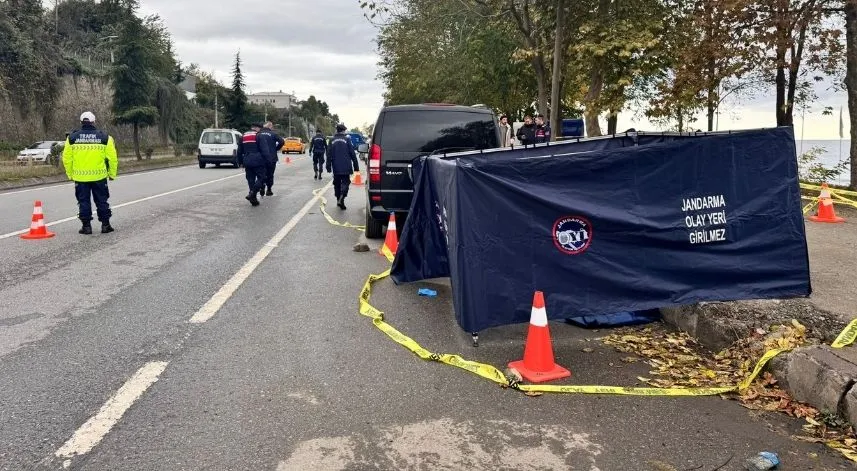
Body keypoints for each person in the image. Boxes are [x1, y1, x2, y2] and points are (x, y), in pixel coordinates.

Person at [62, 111, 118, 234]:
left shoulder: (71, 138)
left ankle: (86, 227)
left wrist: (70, 174)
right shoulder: (105, 138)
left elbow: (66, 158)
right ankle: (105, 225)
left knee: (83, 201)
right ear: (94, 122)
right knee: (102, 201)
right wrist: (112, 174)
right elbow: (112, 158)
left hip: (80, 178)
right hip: (99, 176)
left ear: (81, 122)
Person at [326, 124, 360, 210]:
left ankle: (338, 199)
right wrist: (356, 167)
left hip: (336, 167)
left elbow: (329, 154)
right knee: (345, 182)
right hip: (346, 166)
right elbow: (352, 154)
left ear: (337, 130)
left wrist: (328, 166)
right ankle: (342, 197)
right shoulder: (347, 139)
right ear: (343, 131)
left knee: (337, 184)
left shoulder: (331, 140)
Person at [241, 123, 268, 206]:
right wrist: (268, 160)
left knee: (250, 179)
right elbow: (265, 150)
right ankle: (252, 193)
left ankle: (253, 199)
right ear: (257, 128)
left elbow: (239, 151)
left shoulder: (243, 136)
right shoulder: (259, 136)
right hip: (258, 161)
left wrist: (240, 162)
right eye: (260, 129)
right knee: (262, 178)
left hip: (247, 160)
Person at [257, 121, 284, 196]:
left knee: (261, 173)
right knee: (270, 174)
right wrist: (276, 148)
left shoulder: (258, 134)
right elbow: (282, 141)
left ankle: (262, 187)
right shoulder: (273, 134)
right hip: (272, 157)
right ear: (270, 126)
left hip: (260, 158)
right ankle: (269, 189)